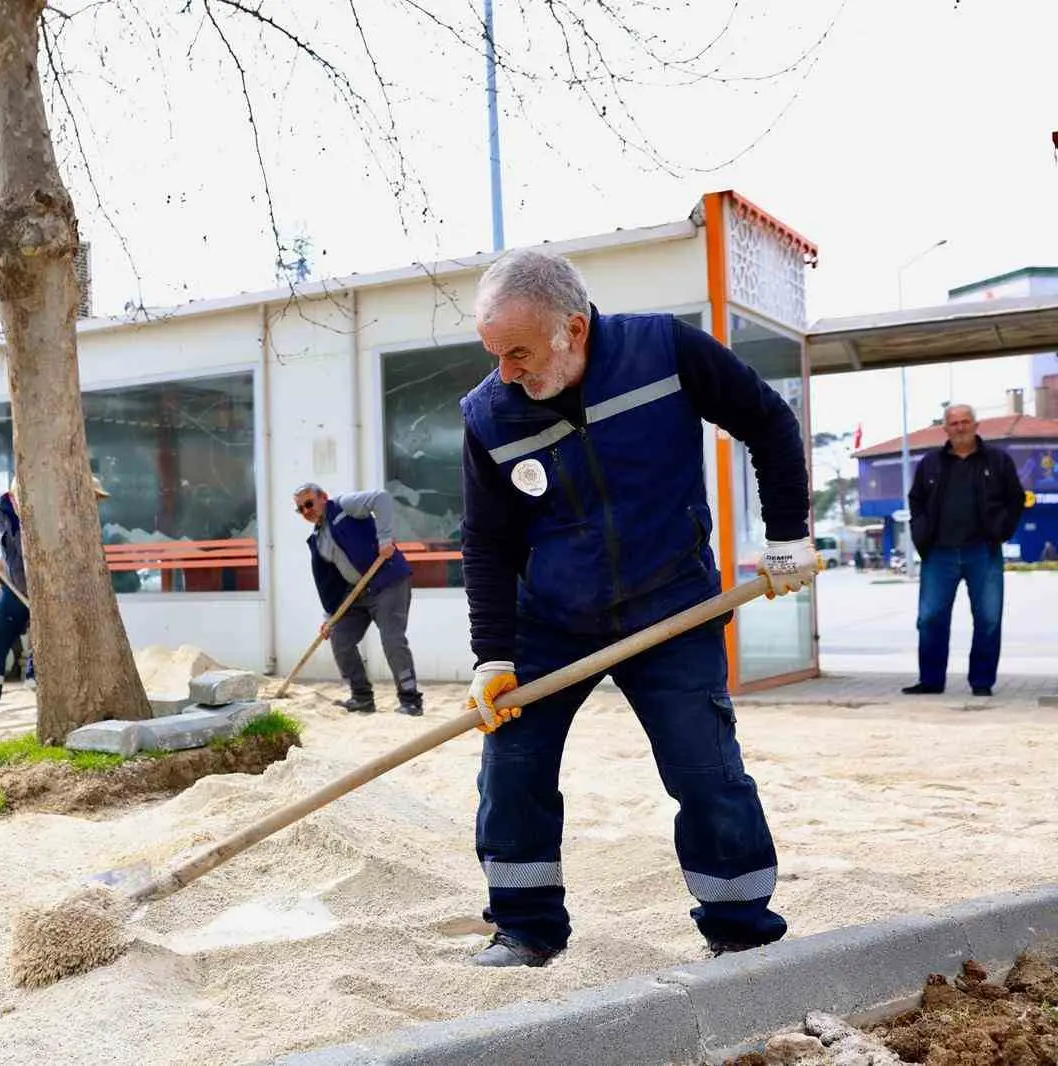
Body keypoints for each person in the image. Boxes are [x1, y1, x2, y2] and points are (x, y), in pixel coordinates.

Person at [458, 249, 816, 967]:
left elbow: (768, 421)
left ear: (575, 328)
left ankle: (740, 925)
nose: (507, 371)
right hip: (552, 620)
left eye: (519, 352)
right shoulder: (489, 416)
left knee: (705, 770)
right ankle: (526, 929)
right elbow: (487, 543)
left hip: (670, 605)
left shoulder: (665, 350)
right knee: (513, 768)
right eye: (494, 354)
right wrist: (493, 655)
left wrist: (786, 537)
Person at [901, 404, 1026, 698]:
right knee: (930, 617)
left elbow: (1015, 498)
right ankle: (931, 681)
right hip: (939, 554)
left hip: (982, 552)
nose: (960, 427)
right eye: (954, 423)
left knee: (988, 618)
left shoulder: (998, 461)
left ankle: (981, 682)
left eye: (965, 421)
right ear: (945, 429)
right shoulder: (930, 463)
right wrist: (921, 534)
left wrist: (1002, 530)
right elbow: (916, 501)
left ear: (975, 425)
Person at [0, 472, 111, 721]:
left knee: (46, 640)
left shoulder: (63, 514)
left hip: (52, 591)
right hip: (14, 589)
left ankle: (42, 690)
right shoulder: (1, 506)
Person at [294, 482, 424, 716]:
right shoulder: (318, 539)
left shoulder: (344, 506)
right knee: (340, 639)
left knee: (392, 639)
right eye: (300, 509)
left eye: (309, 503)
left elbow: (381, 498)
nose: (306, 511)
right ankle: (362, 697)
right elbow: (328, 583)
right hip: (358, 593)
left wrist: (385, 538)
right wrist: (330, 617)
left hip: (388, 581)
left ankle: (410, 699)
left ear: (323, 496)